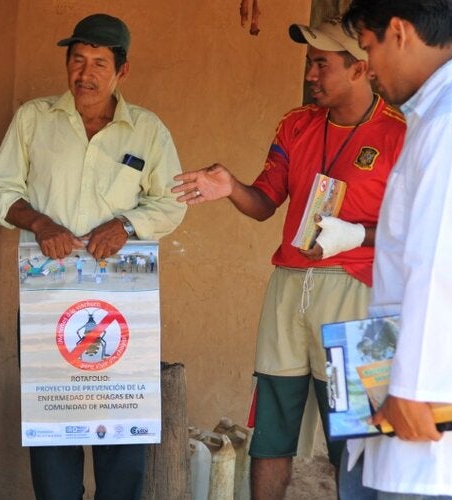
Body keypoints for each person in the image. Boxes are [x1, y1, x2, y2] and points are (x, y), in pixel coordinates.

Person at [172, 17, 406, 500]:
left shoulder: (400, 134)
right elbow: (264, 204)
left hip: (355, 291)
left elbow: (416, 233)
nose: (311, 75)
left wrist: (354, 235)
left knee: (355, 434)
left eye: (321, 64)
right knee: (272, 431)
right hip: (288, 284)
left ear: (360, 68)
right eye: (309, 64)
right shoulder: (296, 124)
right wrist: (231, 188)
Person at [0, 12, 185, 500]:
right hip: (47, 296)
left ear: (122, 71)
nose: (85, 72)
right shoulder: (35, 119)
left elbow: (172, 202)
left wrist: (126, 225)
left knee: (120, 428)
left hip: (122, 300)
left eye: (99, 62)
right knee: (53, 425)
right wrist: (40, 223)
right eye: (77, 60)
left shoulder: (148, 131)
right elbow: (0, 189)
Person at [338, 2, 452, 498]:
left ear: (400, 32)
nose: (370, 68)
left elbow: (439, 260)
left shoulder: (447, 122)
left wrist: (416, 388)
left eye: (369, 48)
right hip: (404, 380)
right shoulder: (431, 116)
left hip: (426, 405)